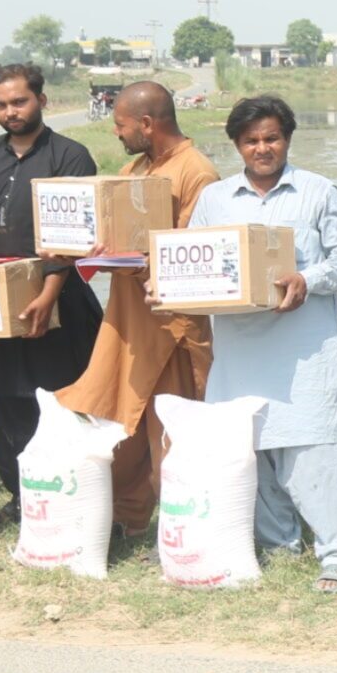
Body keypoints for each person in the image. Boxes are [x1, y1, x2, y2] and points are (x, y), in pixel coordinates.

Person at [186, 96, 337, 590]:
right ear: (236, 145)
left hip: (305, 348)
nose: (262, 148)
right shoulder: (215, 199)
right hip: (240, 347)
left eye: (271, 138)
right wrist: (170, 284)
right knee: (250, 446)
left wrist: (307, 279)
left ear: (287, 138)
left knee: (315, 450)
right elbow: (193, 261)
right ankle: (278, 547)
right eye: (251, 140)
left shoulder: (318, 192)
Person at [57, 81, 219, 533]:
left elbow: (194, 258)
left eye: (121, 125)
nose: (117, 133)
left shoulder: (196, 172)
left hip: (173, 329)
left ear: (147, 124)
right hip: (128, 322)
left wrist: (138, 262)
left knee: (169, 432)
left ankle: (184, 531)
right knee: (121, 428)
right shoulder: (133, 169)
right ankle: (122, 521)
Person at [0, 63, 102, 501]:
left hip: (59, 301)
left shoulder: (70, 156)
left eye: (19, 101)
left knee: (58, 398)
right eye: (1, 104)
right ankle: (21, 497)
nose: (10, 112)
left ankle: (69, 491)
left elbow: (71, 237)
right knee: (6, 399)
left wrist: (48, 293)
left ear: (41, 101)